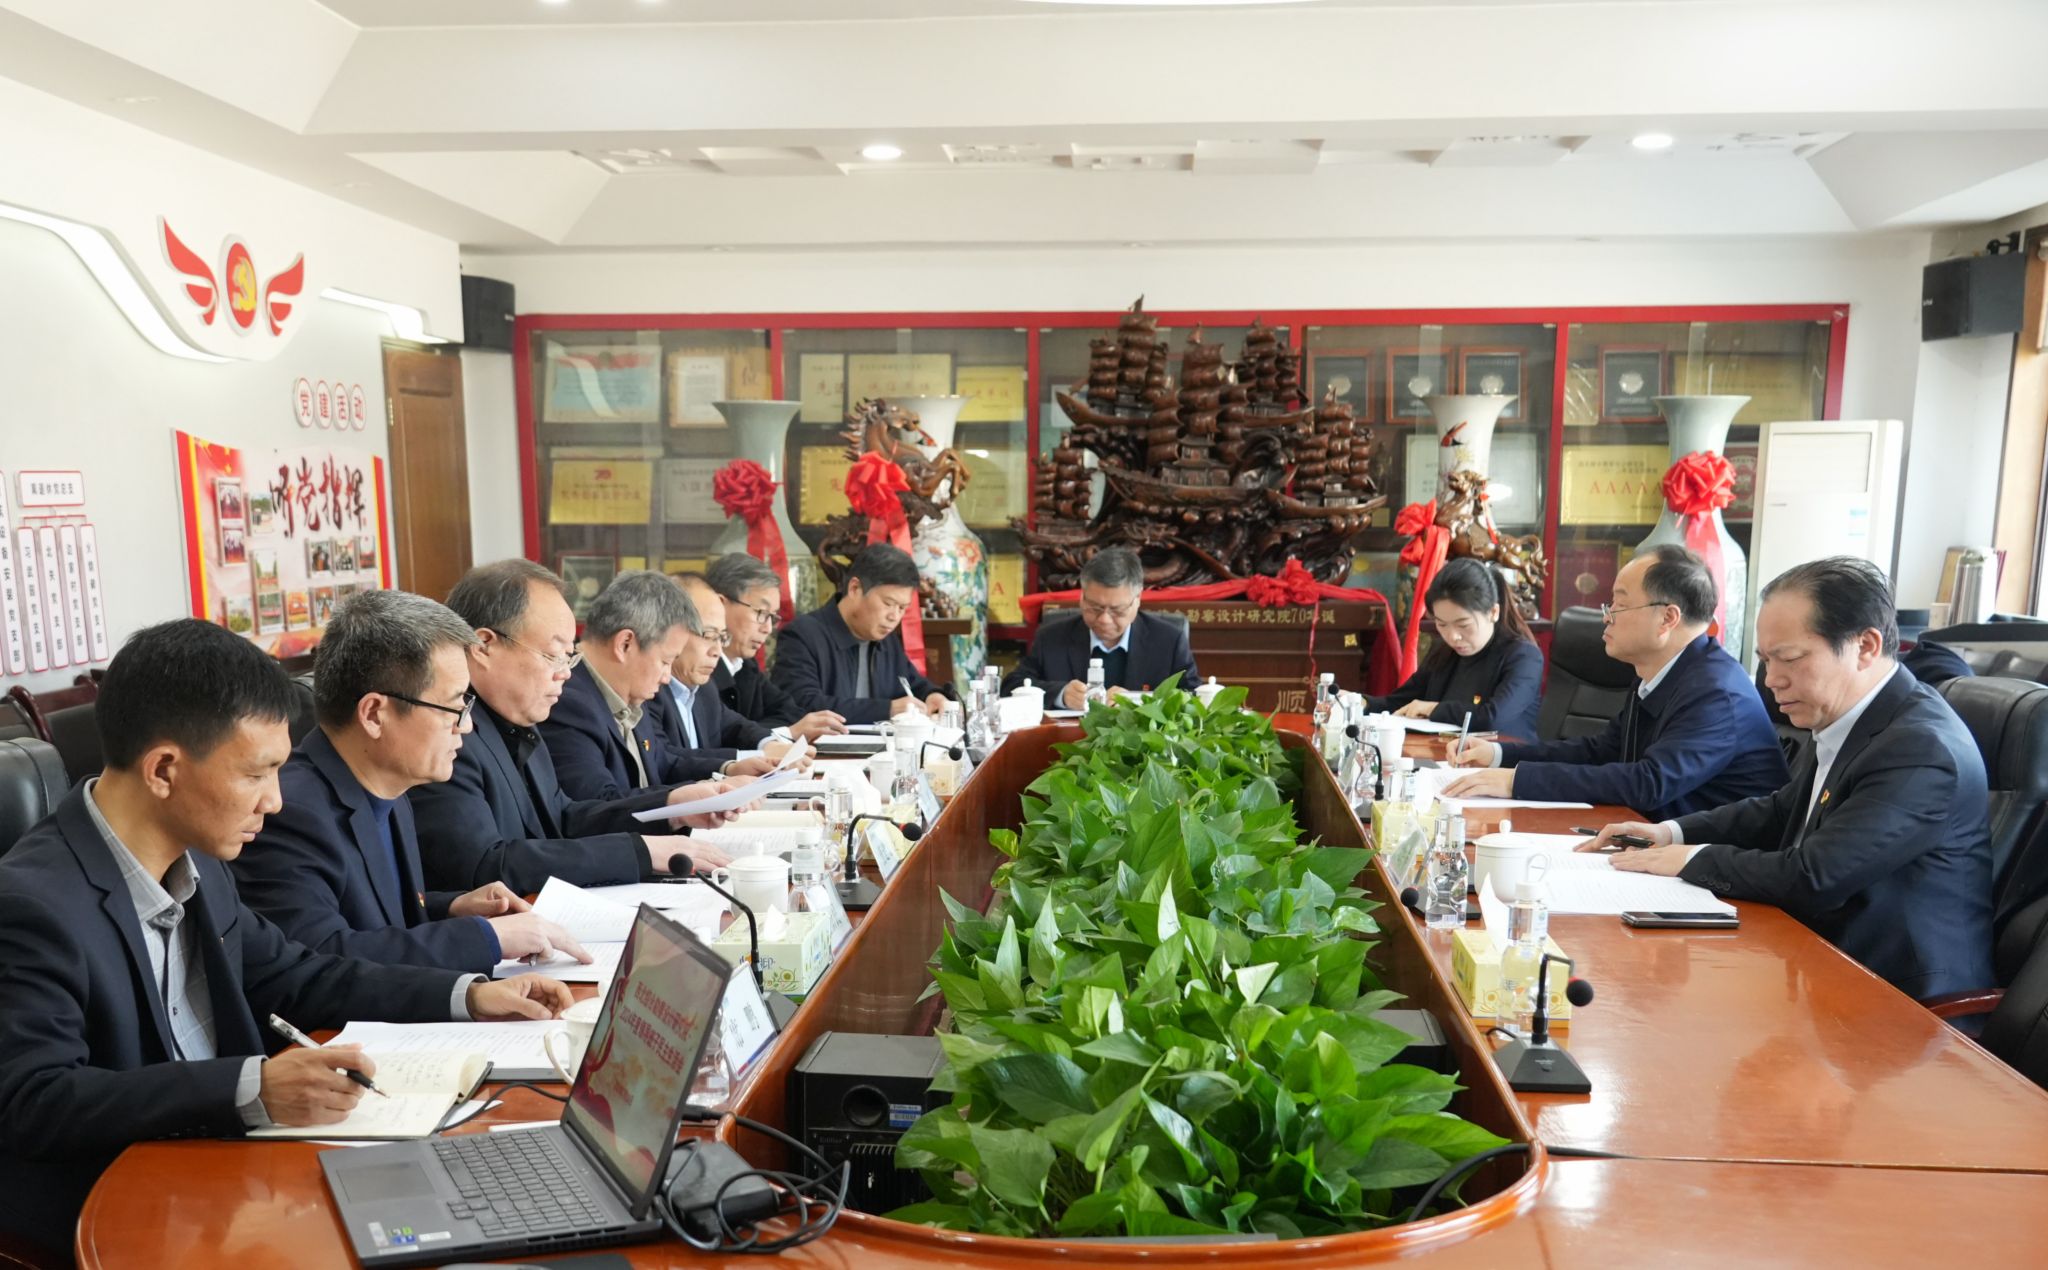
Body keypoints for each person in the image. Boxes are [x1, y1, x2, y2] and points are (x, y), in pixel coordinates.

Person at [0, 620, 571, 1260]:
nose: (274, 801)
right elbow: (35, 1101)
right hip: (121, 1207)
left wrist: (467, 994)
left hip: (229, 1165)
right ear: (163, 770)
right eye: (257, 774)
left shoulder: (196, 856)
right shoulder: (33, 904)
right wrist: (251, 1085)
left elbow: (294, 973)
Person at [1584, 557, 1995, 999]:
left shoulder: (1920, 748)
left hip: (1897, 1001)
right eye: (1765, 660)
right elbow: (1782, 810)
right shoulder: (1854, 715)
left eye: (1790, 659)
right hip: (1818, 962)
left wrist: (1690, 858)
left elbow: (1815, 876)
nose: (1772, 680)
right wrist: (1669, 833)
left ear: (1865, 647)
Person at [233, 590, 590, 975]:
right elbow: (321, 958)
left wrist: (449, 907)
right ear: (374, 714)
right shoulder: (292, 813)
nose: (466, 726)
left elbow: (379, 920)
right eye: (453, 707)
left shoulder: (391, 787)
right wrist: (484, 937)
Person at [409, 559, 738, 898]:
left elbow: (565, 818)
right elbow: (485, 865)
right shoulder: (448, 731)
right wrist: (639, 852)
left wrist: (672, 809)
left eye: (569, 657)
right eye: (553, 655)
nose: (565, 673)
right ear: (484, 646)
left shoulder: (518, 718)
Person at [1444, 544, 1788, 821]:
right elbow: (1600, 752)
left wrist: (1516, 781)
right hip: (1652, 841)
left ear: (1667, 618)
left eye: (1619, 605)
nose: (1606, 617)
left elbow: (1648, 783)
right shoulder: (1661, 673)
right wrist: (1499, 754)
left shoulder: (1716, 693)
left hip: (1716, 867)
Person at [540, 570, 759, 801]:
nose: (666, 677)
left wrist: (728, 770)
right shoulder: (567, 702)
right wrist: (676, 800)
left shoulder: (629, 691)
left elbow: (662, 763)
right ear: (625, 644)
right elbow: (598, 803)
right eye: (665, 661)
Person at [769, 544, 954, 723]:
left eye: (902, 608)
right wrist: (887, 709)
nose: (894, 617)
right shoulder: (803, 635)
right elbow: (801, 704)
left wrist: (933, 696)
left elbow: (913, 684)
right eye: (888, 604)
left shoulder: (885, 640)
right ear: (855, 588)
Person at [648, 574, 813, 770]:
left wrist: (770, 745)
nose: (717, 651)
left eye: (721, 638)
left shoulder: (704, 688)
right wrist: (747, 759)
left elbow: (734, 726)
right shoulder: (649, 690)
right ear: (669, 633)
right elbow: (665, 757)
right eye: (709, 636)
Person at [1367, 557, 1543, 738]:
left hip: (1504, 754)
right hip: (1443, 752)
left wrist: (1433, 709)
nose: (1452, 637)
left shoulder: (1524, 657)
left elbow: (1492, 717)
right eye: (1442, 624)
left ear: (1493, 612)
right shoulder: (1444, 651)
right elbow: (1401, 702)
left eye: (1463, 625)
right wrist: (1360, 703)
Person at [1002, 546, 1198, 706]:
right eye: (1095, 607)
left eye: (1117, 610)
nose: (1104, 619)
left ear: (1137, 599)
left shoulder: (1168, 641)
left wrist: (1137, 701)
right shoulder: (1051, 637)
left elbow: (1193, 696)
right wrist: (1061, 694)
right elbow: (1012, 686)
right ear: (1082, 598)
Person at [706, 552, 847, 742]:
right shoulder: (699, 669)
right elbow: (717, 737)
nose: (767, 628)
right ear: (721, 605)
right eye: (761, 613)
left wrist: (758, 732)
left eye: (772, 617)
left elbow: (792, 712)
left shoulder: (745, 666)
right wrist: (781, 733)